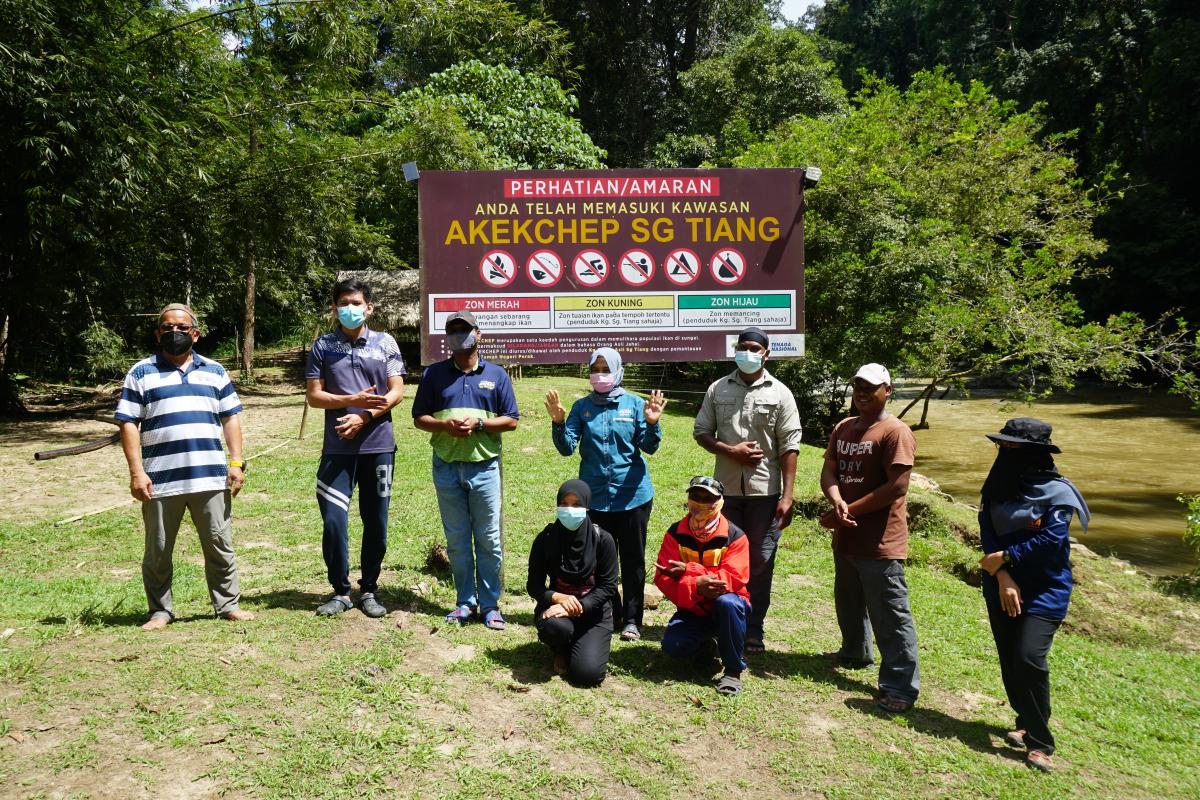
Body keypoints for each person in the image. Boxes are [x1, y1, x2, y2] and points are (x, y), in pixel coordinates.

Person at [114, 303, 254, 630]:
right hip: (160, 479)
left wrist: (236, 462)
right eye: (167, 327)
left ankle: (227, 605)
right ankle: (160, 611)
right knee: (158, 549)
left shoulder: (215, 371)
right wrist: (136, 472)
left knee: (219, 544)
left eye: (181, 327)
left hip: (210, 477)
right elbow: (128, 423)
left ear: (195, 334)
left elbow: (230, 418)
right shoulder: (140, 373)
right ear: (157, 334)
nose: (174, 332)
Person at [977, 418, 1089, 773]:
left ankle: (1041, 743)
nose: (1006, 452)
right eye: (1003, 446)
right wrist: (1003, 575)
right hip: (1001, 584)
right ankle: (1025, 720)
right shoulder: (997, 484)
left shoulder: (1058, 493)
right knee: (1011, 659)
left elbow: (1052, 539)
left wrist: (1008, 558)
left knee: (1029, 658)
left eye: (1015, 448)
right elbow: (987, 532)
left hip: (1045, 589)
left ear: (1035, 453)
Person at [544, 347, 666, 641]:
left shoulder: (635, 405)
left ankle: (633, 620)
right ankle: (613, 612)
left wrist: (652, 423)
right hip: (596, 500)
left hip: (633, 496)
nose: (600, 375)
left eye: (605, 369)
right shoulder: (582, 408)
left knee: (633, 560)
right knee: (599, 561)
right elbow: (566, 448)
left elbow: (649, 447)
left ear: (618, 371)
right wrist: (559, 422)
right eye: (595, 369)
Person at [693, 327, 802, 654]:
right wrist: (731, 451)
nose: (748, 353)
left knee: (760, 562)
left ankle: (753, 629)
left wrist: (787, 496)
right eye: (743, 347)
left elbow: (790, 445)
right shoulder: (717, 389)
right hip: (724, 495)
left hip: (764, 494)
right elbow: (701, 432)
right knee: (721, 558)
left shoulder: (781, 393)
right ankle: (722, 624)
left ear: (767, 354)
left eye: (755, 348)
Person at [819, 363, 920, 713]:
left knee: (890, 613)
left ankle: (900, 686)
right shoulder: (844, 427)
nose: (862, 393)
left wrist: (847, 511)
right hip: (847, 535)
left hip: (880, 540)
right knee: (848, 599)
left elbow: (897, 487)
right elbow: (829, 470)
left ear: (887, 391)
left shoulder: (896, 432)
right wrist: (836, 501)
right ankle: (855, 651)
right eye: (858, 386)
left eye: (870, 387)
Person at [305, 279, 406, 618]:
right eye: (344, 303)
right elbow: (314, 396)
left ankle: (370, 589)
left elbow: (396, 392)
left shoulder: (385, 343)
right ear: (334, 309)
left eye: (356, 302)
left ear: (369, 308)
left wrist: (363, 416)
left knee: (376, 522)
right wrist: (351, 400)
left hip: (379, 446)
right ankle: (340, 591)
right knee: (334, 521)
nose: (350, 308)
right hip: (337, 450)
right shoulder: (323, 346)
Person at [412, 310, 519, 629]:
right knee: (457, 540)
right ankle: (464, 602)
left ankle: (490, 605)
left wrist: (480, 424)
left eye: (465, 329)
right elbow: (419, 418)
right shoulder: (434, 375)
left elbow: (511, 419)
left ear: (478, 333)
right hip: (446, 466)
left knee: (489, 539)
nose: (459, 335)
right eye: (453, 330)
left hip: (485, 468)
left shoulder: (497, 375)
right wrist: (445, 425)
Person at [654, 476, 751, 696]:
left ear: (720, 501)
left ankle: (733, 671)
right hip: (693, 609)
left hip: (729, 607)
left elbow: (732, 579)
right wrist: (696, 585)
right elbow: (663, 577)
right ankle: (707, 645)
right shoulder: (675, 533)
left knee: (728, 603)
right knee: (673, 646)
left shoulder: (735, 536)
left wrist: (689, 572)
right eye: (695, 496)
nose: (699, 502)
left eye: (707, 498)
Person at [526, 480, 619, 686]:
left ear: (587, 506)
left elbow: (608, 586)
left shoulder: (603, 540)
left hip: (594, 614)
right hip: (557, 611)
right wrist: (558, 597)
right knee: (553, 628)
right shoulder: (546, 539)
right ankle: (559, 649)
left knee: (587, 675)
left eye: (577, 504)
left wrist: (578, 606)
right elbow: (534, 585)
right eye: (564, 504)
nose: (570, 510)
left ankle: (582, 645)